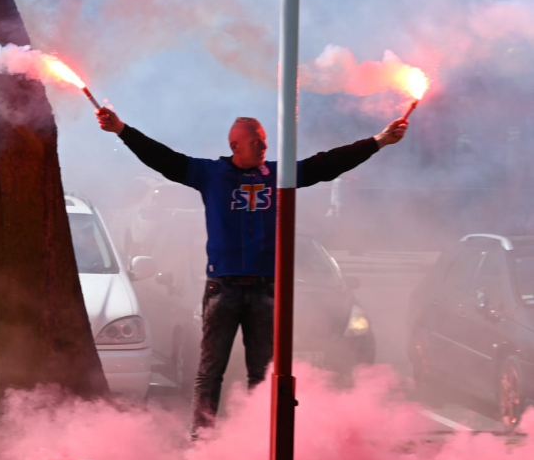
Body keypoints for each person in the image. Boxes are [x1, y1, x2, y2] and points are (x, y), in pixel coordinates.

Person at [95, 108, 408, 434]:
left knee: (262, 371)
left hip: (264, 289)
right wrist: (121, 129)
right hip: (223, 287)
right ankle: (201, 438)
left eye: (264, 141)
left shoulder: (277, 176)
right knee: (210, 369)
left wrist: (380, 141)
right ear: (235, 146)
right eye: (256, 142)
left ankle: (260, 438)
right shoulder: (211, 174)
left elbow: (324, 165)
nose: (263, 147)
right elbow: (164, 159)